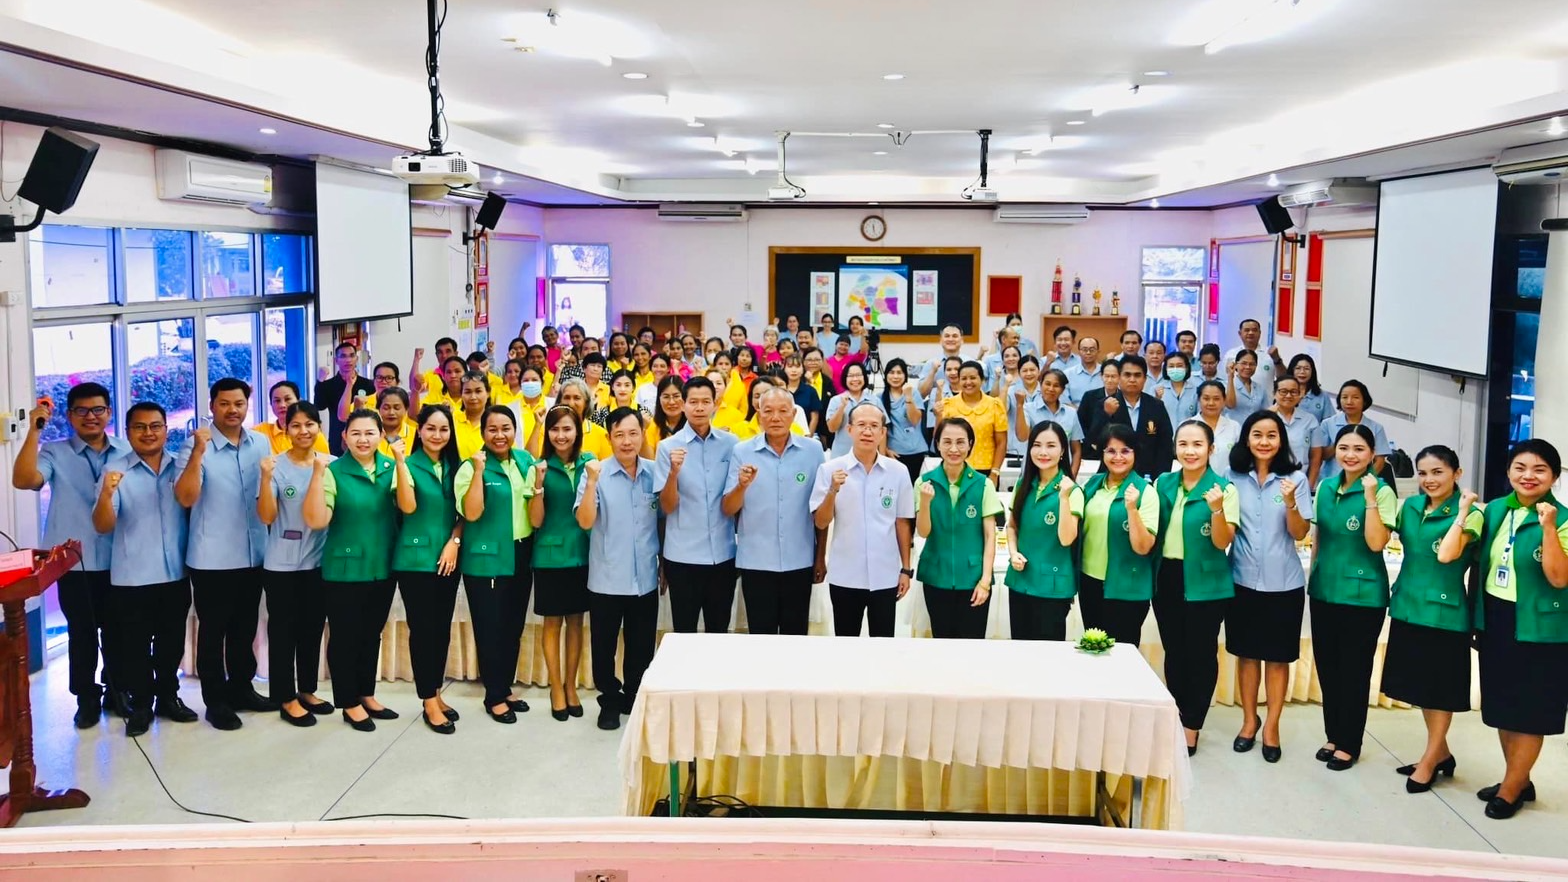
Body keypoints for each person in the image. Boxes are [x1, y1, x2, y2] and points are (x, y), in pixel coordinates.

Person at [12, 383, 131, 727]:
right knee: (81, 633)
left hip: (119, 557)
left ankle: (117, 690)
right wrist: (34, 431)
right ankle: (86, 698)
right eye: (81, 411)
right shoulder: (54, 452)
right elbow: (24, 480)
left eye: (97, 410)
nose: (90, 417)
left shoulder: (125, 451)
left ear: (109, 413)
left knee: (118, 630)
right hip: (74, 562)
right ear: (69, 416)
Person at [1468, 439, 1568, 819]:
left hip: (1541, 626)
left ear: (1554, 477)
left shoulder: (1564, 519)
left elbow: (1559, 578)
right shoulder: (1494, 510)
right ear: (1509, 471)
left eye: (1540, 469)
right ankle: (1517, 776)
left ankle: (1512, 788)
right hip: (1497, 618)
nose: (1528, 476)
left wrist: (1546, 527)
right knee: (1503, 705)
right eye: (1520, 467)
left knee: (1530, 709)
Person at [1379, 446, 1481, 790]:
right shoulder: (1410, 506)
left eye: (1437, 472)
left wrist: (1463, 511)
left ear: (1457, 473)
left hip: (1444, 613)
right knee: (1421, 687)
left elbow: (1448, 555)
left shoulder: (1472, 514)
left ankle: (1429, 759)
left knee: (1440, 690)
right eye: (1422, 473)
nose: (1429, 480)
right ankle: (1441, 752)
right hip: (1408, 605)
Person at [91, 402, 194, 737]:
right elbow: (103, 525)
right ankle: (140, 705)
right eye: (140, 427)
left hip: (174, 573)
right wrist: (106, 495)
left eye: (155, 426)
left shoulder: (181, 465)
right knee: (134, 647)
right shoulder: (115, 470)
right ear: (128, 431)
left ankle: (168, 698)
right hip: (132, 576)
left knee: (171, 644)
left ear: (166, 429)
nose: (148, 433)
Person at [174, 378, 270, 730]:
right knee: (213, 632)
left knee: (245, 629)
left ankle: (242, 689)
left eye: (239, 403)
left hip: (254, 553)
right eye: (225, 403)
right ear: (212, 406)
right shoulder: (193, 446)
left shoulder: (260, 443)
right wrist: (199, 454)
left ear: (248, 405)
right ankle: (215, 701)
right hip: (212, 558)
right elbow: (184, 497)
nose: (233, 410)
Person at [308, 409, 409, 731]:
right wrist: (315, 475)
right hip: (344, 569)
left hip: (382, 565)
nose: (363, 440)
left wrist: (402, 463)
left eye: (369, 433)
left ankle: (366, 693)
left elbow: (407, 508)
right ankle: (348, 701)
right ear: (344, 437)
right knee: (346, 637)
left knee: (371, 633)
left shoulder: (392, 468)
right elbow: (318, 519)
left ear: (381, 435)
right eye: (356, 433)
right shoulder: (333, 471)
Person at [1309, 423, 1398, 771]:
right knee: (1328, 667)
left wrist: (1372, 498)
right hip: (1324, 590)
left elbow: (1377, 543)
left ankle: (1350, 742)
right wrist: (1313, 575)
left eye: (1359, 449)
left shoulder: (1381, 491)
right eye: (1344, 448)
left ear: (1372, 454)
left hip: (1362, 596)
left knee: (1354, 671)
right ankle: (1333, 735)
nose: (1350, 455)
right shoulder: (1327, 487)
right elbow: (1318, 537)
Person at [1227, 410, 1312, 763]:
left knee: (1277, 659)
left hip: (1283, 583)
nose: (1264, 441)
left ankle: (1272, 726)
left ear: (1281, 441)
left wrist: (1291, 502)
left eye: (1272, 435)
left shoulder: (1295, 479)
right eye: (1258, 435)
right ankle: (1249, 721)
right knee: (1247, 657)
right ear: (1247, 439)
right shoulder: (1231, 477)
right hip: (1242, 579)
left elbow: (1300, 533)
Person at [1153, 421, 1239, 755]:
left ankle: (1192, 724)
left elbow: (1221, 541)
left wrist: (1217, 509)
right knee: (1174, 651)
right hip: (1167, 577)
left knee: (1200, 654)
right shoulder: (1164, 483)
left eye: (1198, 445)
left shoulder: (1223, 489)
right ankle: (1176, 711)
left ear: (1211, 449)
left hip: (1206, 581)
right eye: (1184, 444)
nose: (1190, 451)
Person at [575, 407, 661, 731]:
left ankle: (634, 696)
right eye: (619, 435)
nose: (627, 441)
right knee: (604, 648)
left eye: (633, 433)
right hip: (607, 579)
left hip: (645, 580)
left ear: (642, 435)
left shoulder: (655, 472)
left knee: (641, 647)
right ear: (609, 437)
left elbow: (664, 520)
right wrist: (592, 482)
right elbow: (584, 521)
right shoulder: (594, 472)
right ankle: (609, 699)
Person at [456, 407, 538, 724]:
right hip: (486, 558)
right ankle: (493, 695)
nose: (500, 434)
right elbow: (472, 513)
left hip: (521, 552)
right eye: (492, 429)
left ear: (515, 430)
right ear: (483, 433)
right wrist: (478, 471)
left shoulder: (524, 461)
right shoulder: (470, 466)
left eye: (506, 427)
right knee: (490, 627)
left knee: (512, 626)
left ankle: (504, 687)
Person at [724, 385, 827, 636]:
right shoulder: (742, 451)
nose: (775, 417)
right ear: (759, 415)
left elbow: (820, 513)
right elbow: (728, 508)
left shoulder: (813, 451)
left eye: (783, 411)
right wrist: (741, 486)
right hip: (756, 562)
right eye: (768, 411)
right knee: (761, 636)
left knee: (795, 636)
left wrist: (820, 556)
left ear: (793, 415)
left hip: (799, 559)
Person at [257, 402, 335, 728]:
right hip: (282, 565)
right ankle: (285, 697)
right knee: (284, 631)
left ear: (319, 428)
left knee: (312, 629)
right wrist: (264, 479)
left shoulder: (332, 465)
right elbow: (267, 516)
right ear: (286, 430)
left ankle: (307, 689)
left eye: (310, 424)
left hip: (318, 562)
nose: (304, 431)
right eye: (296, 425)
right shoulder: (274, 466)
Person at [811, 403, 915, 637]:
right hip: (845, 575)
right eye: (861, 425)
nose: (867, 431)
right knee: (846, 644)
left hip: (885, 575)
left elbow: (902, 522)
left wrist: (906, 569)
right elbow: (820, 522)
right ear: (849, 430)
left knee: (883, 641)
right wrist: (832, 491)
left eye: (874, 426)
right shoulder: (830, 470)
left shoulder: (898, 472)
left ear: (882, 433)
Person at [393, 404, 465, 734]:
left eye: (443, 429)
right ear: (419, 431)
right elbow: (406, 507)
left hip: (448, 557)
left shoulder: (456, 467)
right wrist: (399, 462)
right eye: (431, 428)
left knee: (441, 628)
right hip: (415, 561)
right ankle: (427, 700)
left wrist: (455, 540)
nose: (437, 435)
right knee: (423, 630)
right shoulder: (406, 465)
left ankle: (435, 691)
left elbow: (465, 511)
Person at [656, 376, 740, 634]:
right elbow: (667, 507)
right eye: (693, 402)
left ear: (716, 404)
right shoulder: (667, 448)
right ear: (683, 405)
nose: (700, 408)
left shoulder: (732, 444)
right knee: (684, 631)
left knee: (718, 630)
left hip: (723, 554)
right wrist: (673, 473)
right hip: (683, 557)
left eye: (706, 401)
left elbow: (734, 502)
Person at [529, 406, 594, 720]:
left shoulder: (590, 463)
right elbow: (535, 520)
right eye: (555, 429)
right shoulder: (540, 466)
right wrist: (539, 485)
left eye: (567, 429)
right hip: (550, 556)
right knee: (553, 623)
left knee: (577, 623)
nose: (561, 435)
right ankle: (556, 687)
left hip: (582, 553)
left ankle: (572, 685)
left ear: (577, 430)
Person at [915, 419, 1001, 639]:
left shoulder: (983, 484)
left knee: (972, 643)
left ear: (970, 444)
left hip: (973, 579)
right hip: (937, 576)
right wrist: (925, 503)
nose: (954, 449)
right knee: (941, 640)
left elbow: (990, 535)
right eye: (947, 442)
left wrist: (985, 581)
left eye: (961, 442)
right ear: (938, 444)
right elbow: (923, 532)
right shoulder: (924, 482)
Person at [1077, 423, 1159, 646]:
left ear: (1135, 453)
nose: (1118, 457)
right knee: (1093, 648)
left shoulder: (1145, 491)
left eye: (1125, 451)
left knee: (1122, 653)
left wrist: (1132, 509)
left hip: (1126, 587)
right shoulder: (1092, 485)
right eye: (1111, 451)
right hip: (1089, 583)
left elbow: (1143, 547)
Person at [1005, 421, 1083, 640]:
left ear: (1062, 451)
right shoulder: (1023, 485)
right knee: (1020, 649)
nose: (1043, 452)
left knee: (1049, 655)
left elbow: (1067, 539)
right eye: (1037, 445)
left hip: (1053, 587)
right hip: (1021, 581)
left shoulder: (1072, 490)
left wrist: (1064, 498)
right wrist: (1013, 553)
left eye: (1051, 445)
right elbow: (1012, 526)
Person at [1102, 355, 1175, 479]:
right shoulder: (1105, 404)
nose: (1132, 379)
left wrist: (1159, 478)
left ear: (1145, 379)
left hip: (1149, 476)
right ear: (1119, 377)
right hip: (1113, 474)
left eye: (1137, 375)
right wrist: (1108, 415)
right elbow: (1093, 441)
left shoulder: (1156, 406)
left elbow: (1165, 446)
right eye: (1127, 375)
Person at [939, 361, 1008, 484]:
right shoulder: (948, 405)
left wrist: (995, 472)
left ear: (982, 380)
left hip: (986, 470)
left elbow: (1001, 442)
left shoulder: (995, 405)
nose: (968, 382)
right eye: (964, 378)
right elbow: (940, 439)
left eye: (973, 378)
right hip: (954, 468)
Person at [1310, 380, 1390, 486]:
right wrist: (1341, 443)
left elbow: (1379, 461)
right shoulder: (1328, 424)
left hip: (1362, 483)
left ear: (1364, 401)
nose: (1349, 402)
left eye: (1355, 397)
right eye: (1344, 397)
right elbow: (1321, 455)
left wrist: (1364, 480)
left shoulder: (1376, 428)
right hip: (1331, 481)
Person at [1015, 366, 1081, 476]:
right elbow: (1022, 437)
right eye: (1047, 384)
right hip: (1033, 472)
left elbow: (1076, 450)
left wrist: (1071, 477)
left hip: (1062, 473)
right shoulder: (1028, 409)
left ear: (1063, 390)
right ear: (1040, 385)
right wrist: (1019, 405)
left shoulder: (1071, 413)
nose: (1051, 389)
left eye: (1056, 386)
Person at [313, 342, 376, 455]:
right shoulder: (328, 385)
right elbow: (319, 406)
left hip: (364, 438)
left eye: (351, 355)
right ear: (336, 360)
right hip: (337, 438)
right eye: (343, 356)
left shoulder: (368, 384)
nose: (348, 360)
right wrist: (320, 381)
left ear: (356, 359)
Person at [882, 358, 928, 487]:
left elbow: (914, 420)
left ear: (905, 376)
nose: (895, 376)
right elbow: (880, 428)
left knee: (914, 490)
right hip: (894, 453)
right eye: (892, 372)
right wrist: (885, 450)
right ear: (886, 375)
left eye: (899, 372)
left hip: (915, 452)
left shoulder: (913, 393)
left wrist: (908, 398)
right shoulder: (880, 397)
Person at [825, 362, 884, 458]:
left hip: (869, 457)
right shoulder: (836, 400)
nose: (855, 379)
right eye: (851, 376)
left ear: (864, 377)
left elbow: (882, 429)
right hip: (842, 455)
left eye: (858, 375)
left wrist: (882, 455)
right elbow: (832, 428)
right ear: (845, 378)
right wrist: (842, 407)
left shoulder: (875, 400)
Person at [255, 381, 329, 454]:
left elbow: (325, 462)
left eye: (287, 399)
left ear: (298, 401)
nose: (282, 405)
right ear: (271, 404)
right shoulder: (262, 431)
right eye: (277, 401)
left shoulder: (311, 434)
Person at [1187, 380, 1241, 469]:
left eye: (1216, 399)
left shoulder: (1234, 427)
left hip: (1226, 481)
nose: (1211, 403)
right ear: (1198, 400)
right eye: (1206, 398)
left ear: (1224, 401)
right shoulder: (1187, 426)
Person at [1269, 375, 1319, 468]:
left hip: (1301, 477)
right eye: (1283, 391)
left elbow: (1315, 457)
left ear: (1300, 394)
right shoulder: (1265, 418)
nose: (1288, 396)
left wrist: (1310, 482)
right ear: (1274, 393)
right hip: (1271, 476)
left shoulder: (1310, 420)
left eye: (1293, 392)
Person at [1077, 359, 1122, 463]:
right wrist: (1091, 443)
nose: (1110, 380)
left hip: (1117, 451)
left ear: (1120, 377)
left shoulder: (1124, 398)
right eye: (1106, 376)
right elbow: (1081, 424)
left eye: (1113, 376)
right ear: (1101, 376)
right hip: (1091, 451)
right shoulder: (1089, 396)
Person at [1225, 319, 1286, 390]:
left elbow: (1283, 378)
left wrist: (1276, 359)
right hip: (1237, 400)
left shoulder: (1270, 354)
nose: (1251, 333)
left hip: (1266, 400)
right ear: (1240, 333)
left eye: (1254, 330)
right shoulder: (1231, 354)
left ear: (1260, 333)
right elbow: (1223, 380)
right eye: (1247, 330)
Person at [1154, 351, 1199, 428]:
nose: (1175, 369)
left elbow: (1199, 416)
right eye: (1171, 366)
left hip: (1189, 435)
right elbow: (1151, 416)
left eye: (1179, 366)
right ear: (1166, 369)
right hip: (1164, 436)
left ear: (1187, 368)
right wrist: (1157, 399)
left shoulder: (1196, 391)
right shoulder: (1156, 389)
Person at [783, 353, 823, 437]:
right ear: (784, 369)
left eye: (797, 367)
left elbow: (814, 418)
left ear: (803, 369)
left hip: (805, 435)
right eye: (790, 367)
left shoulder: (810, 391)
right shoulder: (780, 391)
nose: (794, 370)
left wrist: (808, 437)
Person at [1289, 354, 1335, 423]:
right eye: (1298, 368)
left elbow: (1329, 422)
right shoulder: (1285, 393)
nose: (1302, 372)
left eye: (1306, 368)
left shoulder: (1322, 395)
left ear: (1312, 372)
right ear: (1292, 370)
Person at [1224, 349, 1269, 420]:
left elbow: (1265, 413)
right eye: (1244, 363)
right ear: (1235, 365)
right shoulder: (1225, 385)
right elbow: (1230, 405)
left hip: (1253, 429)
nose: (1248, 367)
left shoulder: (1260, 389)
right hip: (1234, 429)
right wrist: (1230, 376)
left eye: (1252, 364)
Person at [1064, 335, 1102, 404]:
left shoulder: (1106, 373)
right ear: (1079, 352)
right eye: (1084, 349)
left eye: (1092, 350)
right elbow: (1065, 401)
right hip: (1075, 413)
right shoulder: (1068, 374)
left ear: (1098, 351)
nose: (1088, 353)